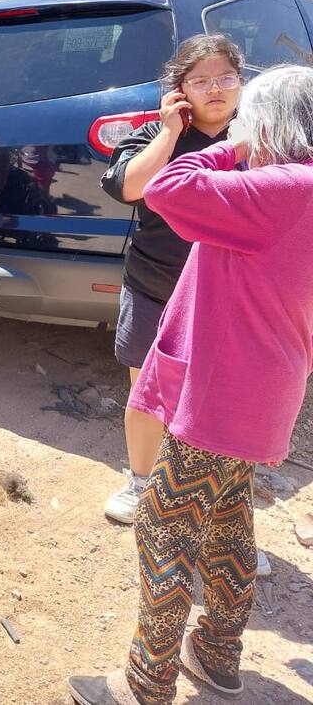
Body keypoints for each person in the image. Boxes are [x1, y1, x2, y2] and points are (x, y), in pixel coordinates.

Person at [67, 65, 313, 705]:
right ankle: (216, 656)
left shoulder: (283, 188)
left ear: (270, 125)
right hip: (263, 391)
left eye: (248, 120)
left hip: (224, 393)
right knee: (229, 523)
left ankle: (145, 684)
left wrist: (233, 143)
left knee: (165, 525)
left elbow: (168, 188)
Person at [97, 36, 260, 561]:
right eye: (200, 80)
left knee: (231, 404)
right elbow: (129, 188)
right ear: (180, 89)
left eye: (225, 77)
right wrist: (170, 131)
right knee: (147, 390)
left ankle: (225, 520)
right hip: (157, 286)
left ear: (241, 80)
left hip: (237, 297)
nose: (215, 89)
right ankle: (142, 483)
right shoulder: (154, 134)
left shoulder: (266, 139)